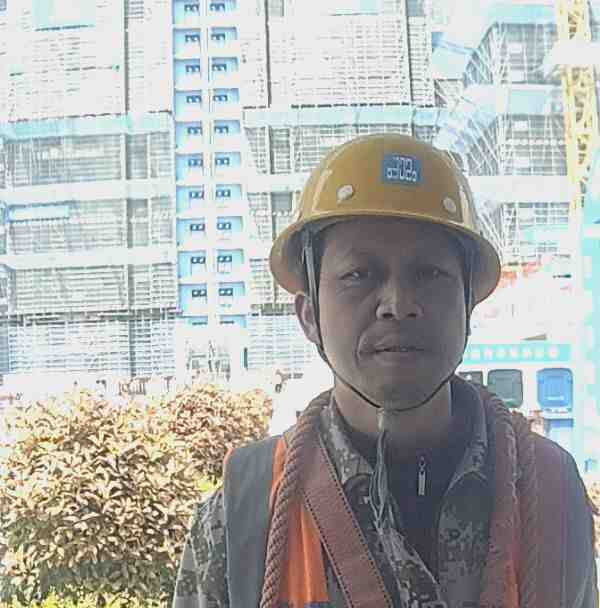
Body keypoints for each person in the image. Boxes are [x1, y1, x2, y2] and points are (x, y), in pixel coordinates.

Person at [172, 134, 598, 608]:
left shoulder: (549, 492)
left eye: (429, 273)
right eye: (359, 275)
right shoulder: (244, 515)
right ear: (309, 314)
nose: (398, 304)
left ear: (468, 305)